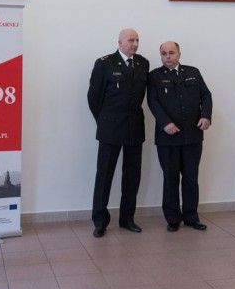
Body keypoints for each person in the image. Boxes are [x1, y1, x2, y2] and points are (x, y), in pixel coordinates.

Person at [88, 28, 149, 237]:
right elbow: (93, 98)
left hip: (134, 127)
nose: (135, 44)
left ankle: (127, 218)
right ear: (120, 42)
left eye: (137, 40)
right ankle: (100, 221)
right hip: (110, 128)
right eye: (131, 40)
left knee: (132, 176)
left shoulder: (143, 63)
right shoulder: (104, 63)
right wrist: (104, 121)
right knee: (104, 175)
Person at [147, 41, 212, 232]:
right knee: (171, 178)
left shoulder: (193, 72)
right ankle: (173, 219)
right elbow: (153, 102)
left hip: (192, 135)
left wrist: (206, 116)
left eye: (171, 52)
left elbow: (206, 95)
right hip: (167, 138)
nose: (167, 56)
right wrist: (165, 123)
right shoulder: (154, 76)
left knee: (191, 178)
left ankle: (191, 217)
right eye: (163, 53)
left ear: (179, 54)